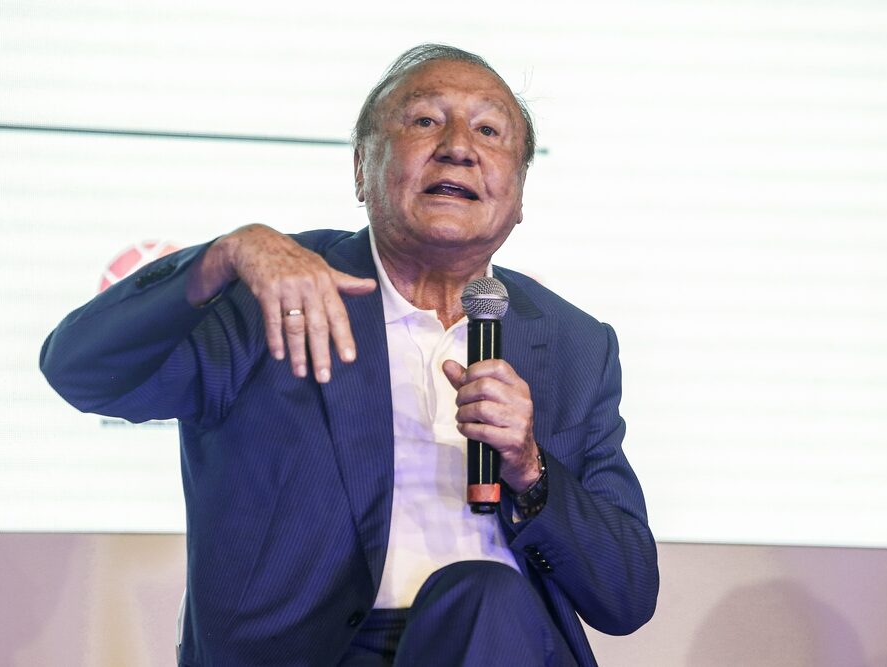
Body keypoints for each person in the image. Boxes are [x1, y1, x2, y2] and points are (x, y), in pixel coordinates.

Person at [41, 44, 658, 667]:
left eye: (489, 130)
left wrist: (530, 469)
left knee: (488, 595)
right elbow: (82, 374)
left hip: (501, 644)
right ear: (362, 168)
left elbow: (626, 597)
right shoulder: (272, 291)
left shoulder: (576, 344)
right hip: (307, 655)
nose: (458, 146)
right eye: (424, 120)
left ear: (519, 196)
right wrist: (221, 258)